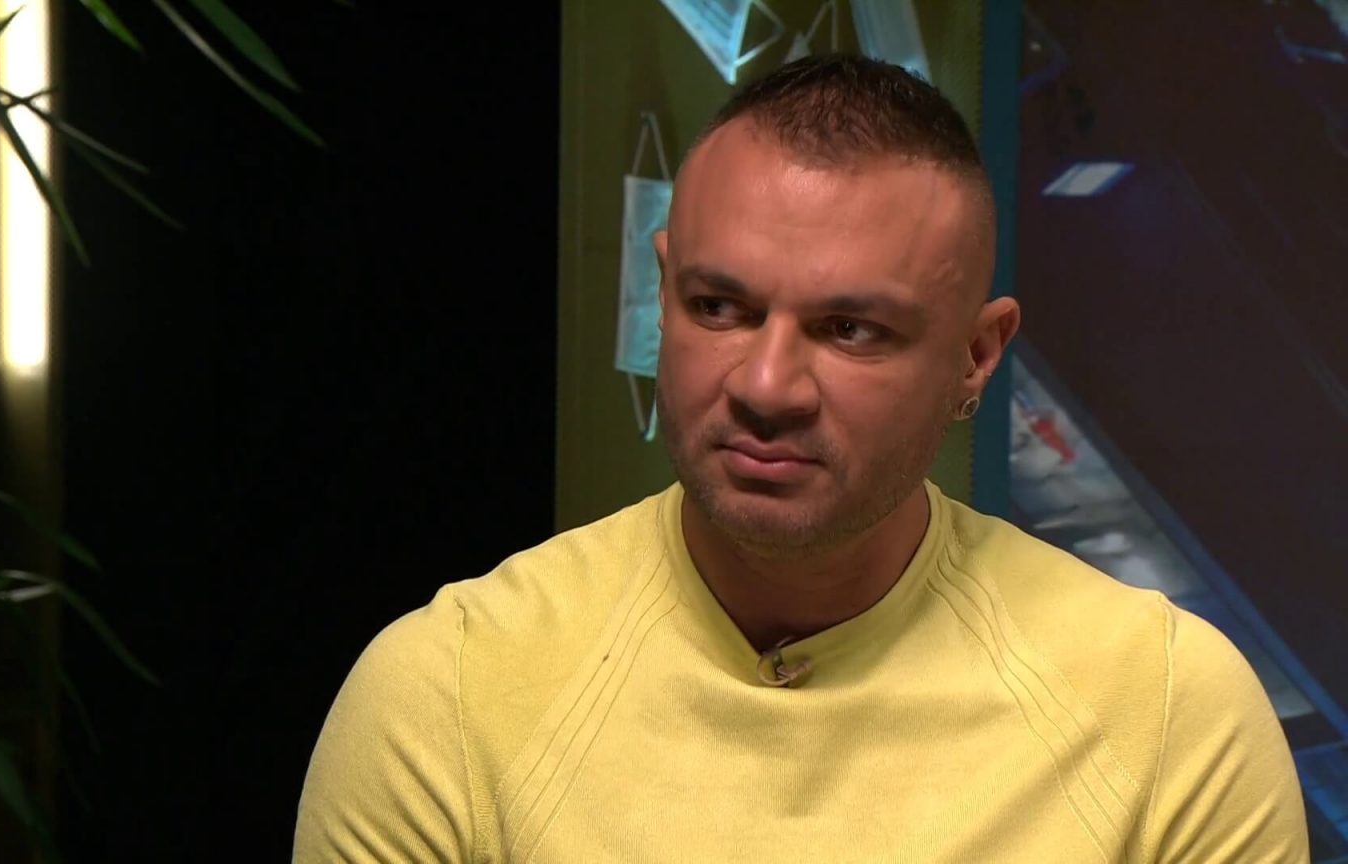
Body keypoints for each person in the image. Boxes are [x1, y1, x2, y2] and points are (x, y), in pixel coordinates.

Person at [294, 54, 1306, 862]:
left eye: (850, 329)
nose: (767, 385)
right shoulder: (451, 694)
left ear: (975, 355)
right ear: (663, 292)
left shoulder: (1166, 717)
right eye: (718, 307)